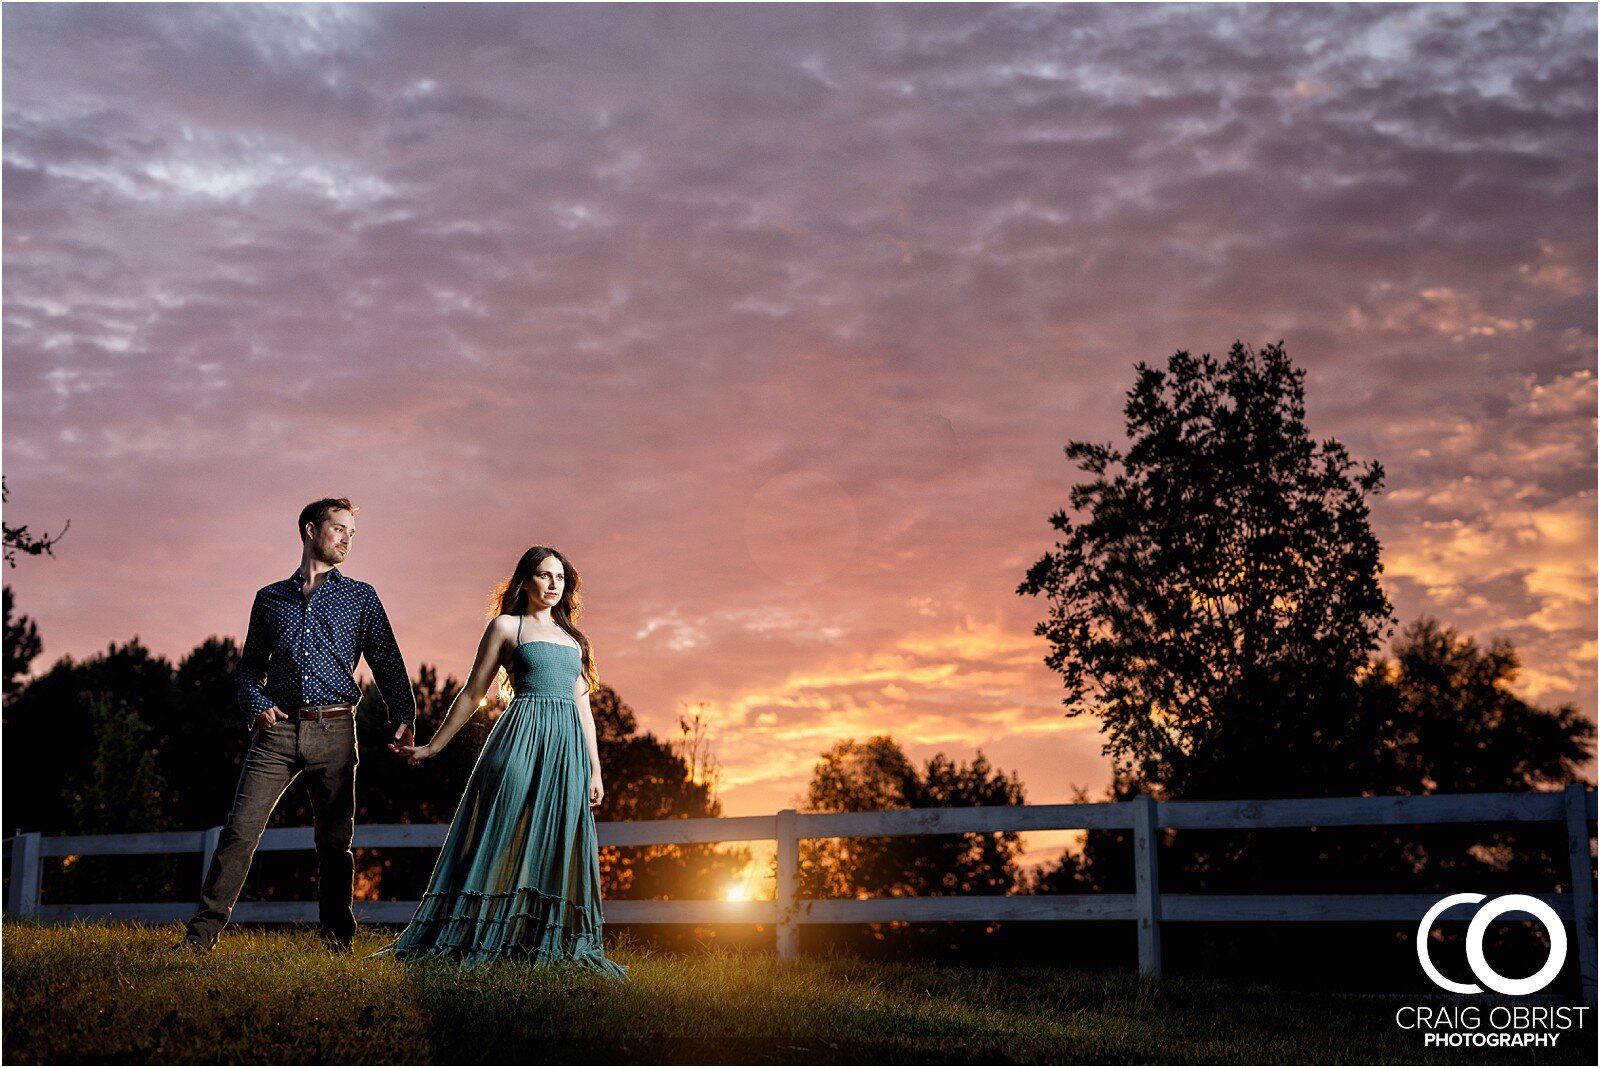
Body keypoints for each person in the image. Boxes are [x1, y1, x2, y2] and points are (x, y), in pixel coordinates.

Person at [174, 497, 416, 954]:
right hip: (277, 733)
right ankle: (199, 938)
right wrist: (255, 702)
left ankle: (337, 941)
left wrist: (404, 714)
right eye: (339, 528)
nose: (347, 538)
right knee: (239, 832)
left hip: (336, 731)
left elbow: (386, 659)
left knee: (334, 840)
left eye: (352, 532)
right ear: (310, 529)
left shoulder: (361, 596)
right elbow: (248, 670)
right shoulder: (269, 600)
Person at [381, 545, 626, 979]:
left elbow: (583, 707)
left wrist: (595, 768)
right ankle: (475, 931)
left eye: (560, 578)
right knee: (498, 831)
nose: (553, 585)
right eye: (544, 575)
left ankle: (536, 937)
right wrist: (434, 747)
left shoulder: (575, 641)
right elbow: (474, 693)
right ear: (524, 580)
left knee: (557, 840)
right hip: (518, 739)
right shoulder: (506, 627)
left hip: (567, 749)